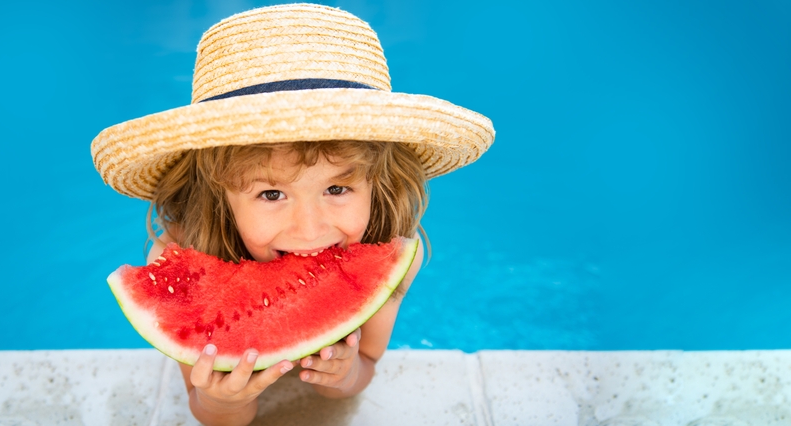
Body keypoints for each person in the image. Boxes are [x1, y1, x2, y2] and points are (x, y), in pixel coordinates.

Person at [91, 4, 495, 425]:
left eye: (337, 189)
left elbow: (366, 366)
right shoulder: (178, 259)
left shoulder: (387, 253)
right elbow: (208, 409)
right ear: (218, 194)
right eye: (271, 193)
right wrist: (221, 403)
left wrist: (344, 374)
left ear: (380, 183)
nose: (310, 229)